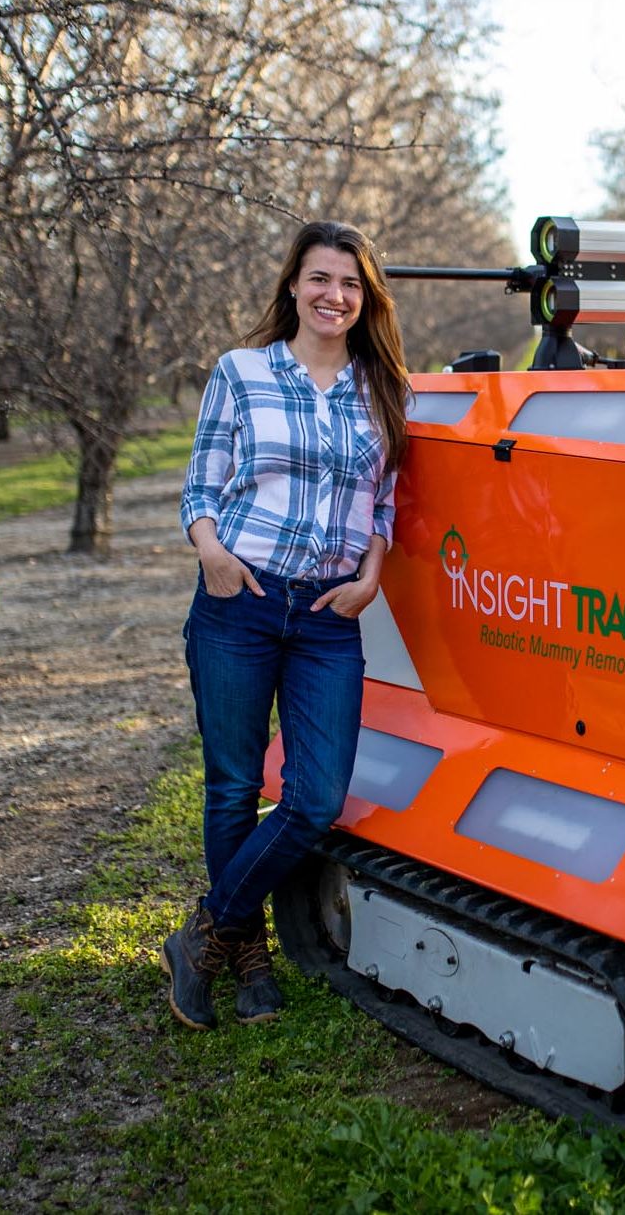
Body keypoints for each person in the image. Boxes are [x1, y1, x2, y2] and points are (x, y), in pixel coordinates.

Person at [164, 220, 409, 1030]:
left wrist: (372, 569)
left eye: (349, 283)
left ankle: (205, 931)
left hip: (327, 614)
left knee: (313, 797)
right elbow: (201, 486)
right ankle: (248, 956)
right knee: (233, 783)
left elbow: (382, 499)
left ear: (364, 296)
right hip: (240, 599)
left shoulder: (383, 387)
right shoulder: (241, 372)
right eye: (319, 279)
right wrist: (213, 556)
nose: (334, 295)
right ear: (293, 287)